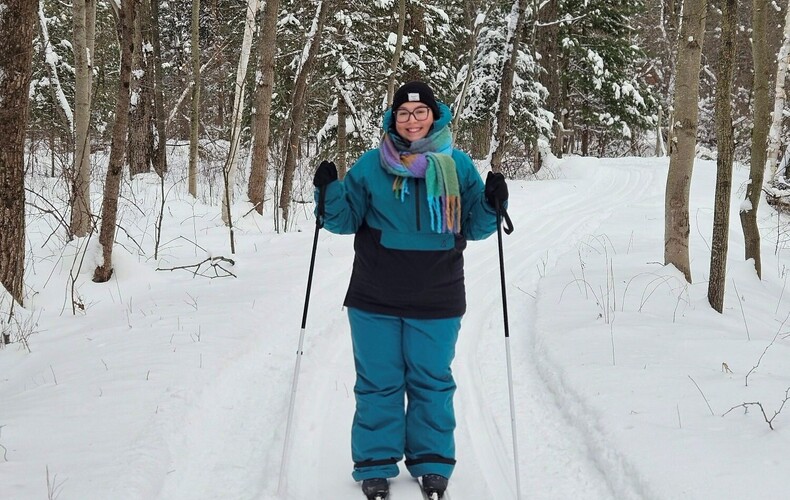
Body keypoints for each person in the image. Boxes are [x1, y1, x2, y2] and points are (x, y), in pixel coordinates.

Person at [312, 81, 508, 499]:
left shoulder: (458, 167)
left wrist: (493, 204)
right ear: (393, 119)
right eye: (403, 113)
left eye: (420, 113)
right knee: (378, 382)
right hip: (374, 294)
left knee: (431, 381)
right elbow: (344, 221)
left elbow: (474, 226)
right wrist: (328, 192)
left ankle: (432, 462)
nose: (412, 120)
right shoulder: (370, 166)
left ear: (435, 116)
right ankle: (375, 464)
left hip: (438, 295)